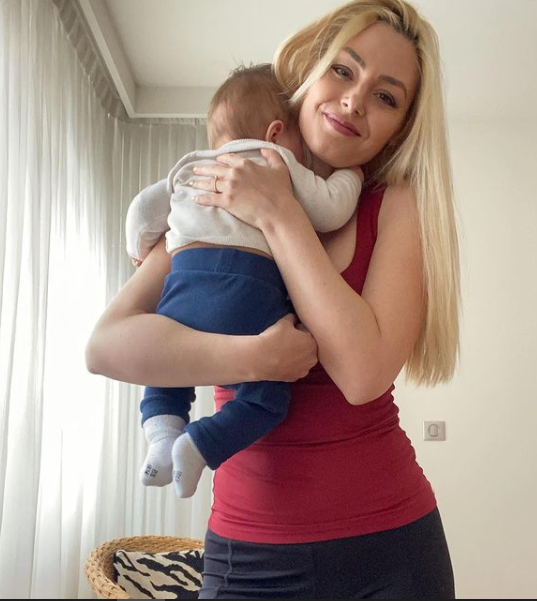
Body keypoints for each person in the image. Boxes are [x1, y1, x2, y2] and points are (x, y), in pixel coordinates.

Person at [86, 0, 460, 597]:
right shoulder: (218, 188)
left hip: (389, 547)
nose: (354, 101)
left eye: (386, 97)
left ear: (400, 127)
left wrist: (279, 211)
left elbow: (362, 375)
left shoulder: (395, 205)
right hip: (244, 550)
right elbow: (105, 348)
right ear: (310, 73)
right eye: (343, 70)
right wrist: (255, 359)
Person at [125, 64, 363, 498]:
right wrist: (352, 175)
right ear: (276, 132)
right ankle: (201, 444)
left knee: (165, 372)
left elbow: (143, 211)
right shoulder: (276, 161)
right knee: (266, 398)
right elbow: (331, 209)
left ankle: (161, 439)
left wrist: (139, 251)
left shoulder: (191, 167)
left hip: (181, 291)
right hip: (246, 293)